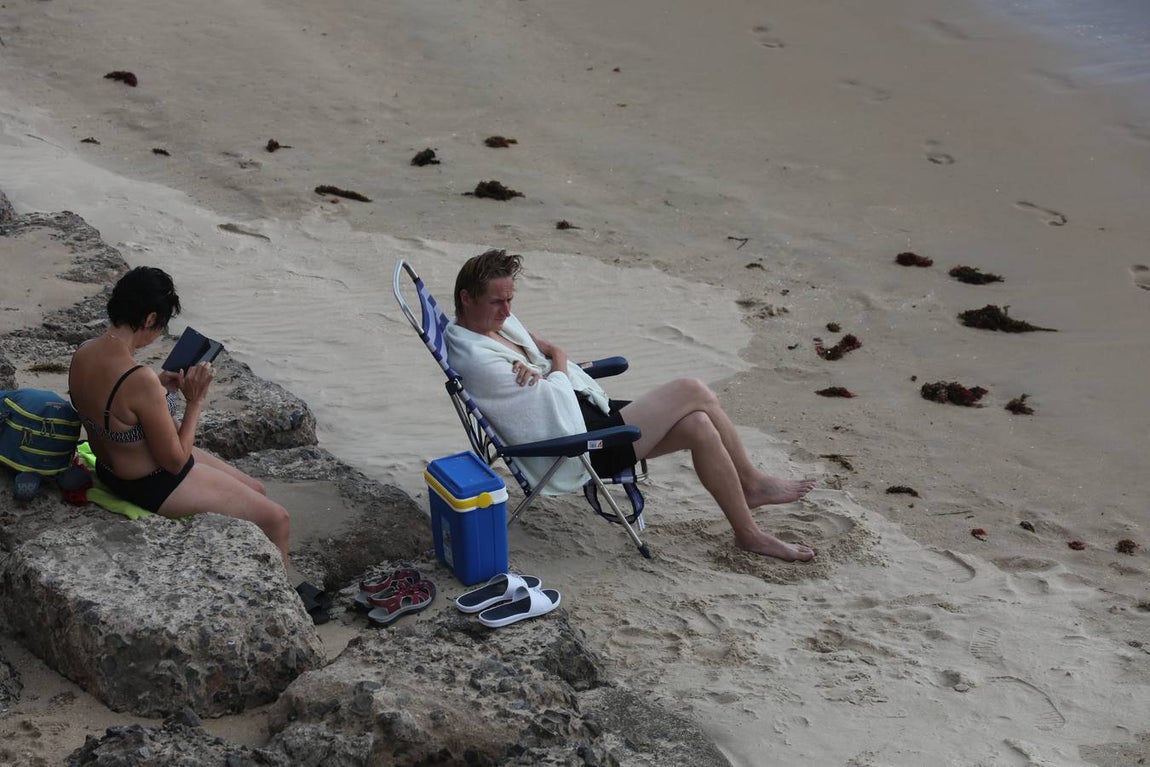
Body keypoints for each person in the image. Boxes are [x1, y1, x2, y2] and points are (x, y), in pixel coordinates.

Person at [445, 249, 817, 562]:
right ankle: (751, 483)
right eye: (497, 301)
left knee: (700, 426)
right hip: (581, 445)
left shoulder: (494, 327)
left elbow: (543, 375)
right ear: (466, 298)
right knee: (693, 390)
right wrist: (558, 355)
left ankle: (748, 534)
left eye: (510, 299)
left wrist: (546, 367)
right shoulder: (479, 358)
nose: (507, 311)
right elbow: (553, 394)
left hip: (586, 415)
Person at [68, 266, 291, 567]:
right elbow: (175, 461)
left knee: (258, 490)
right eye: (161, 325)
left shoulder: (84, 352)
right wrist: (195, 401)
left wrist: (160, 387)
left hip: (110, 470)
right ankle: (279, 591)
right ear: (150, 319)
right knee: (277, 519)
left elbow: (117, 406)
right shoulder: (138, 379)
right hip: (151, 484)